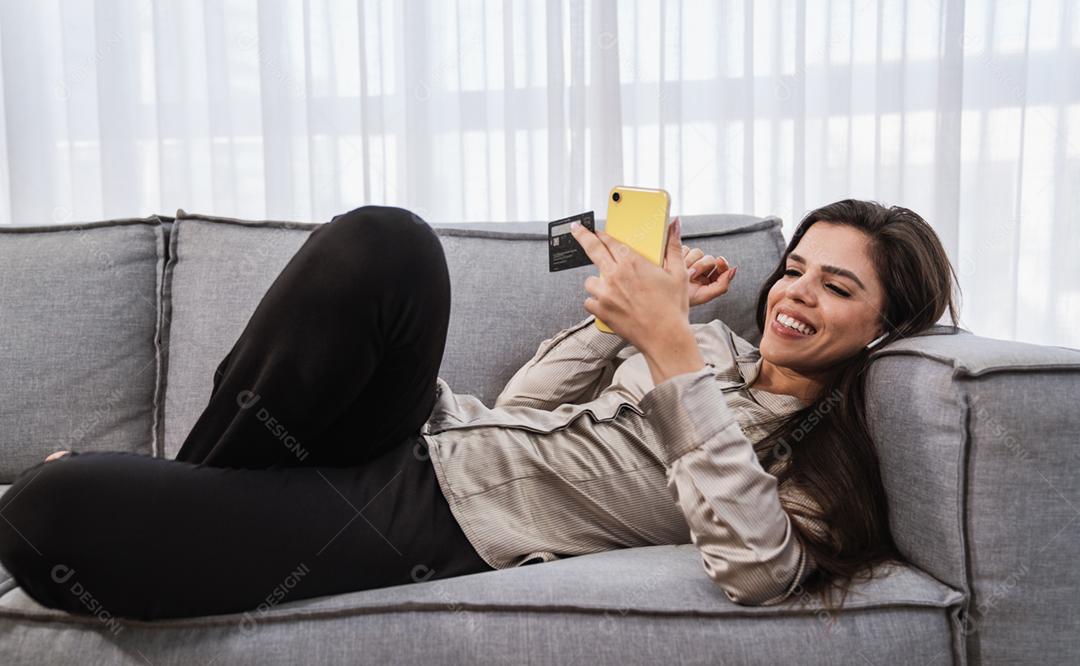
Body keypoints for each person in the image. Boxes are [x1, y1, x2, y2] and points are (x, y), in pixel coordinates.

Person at [0, 199, 960, 620]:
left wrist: (667, 347)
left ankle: (169, 507)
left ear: (887, 326)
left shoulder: (825, 451)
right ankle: (185, 503)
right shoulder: (712, 345)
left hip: (441, 517)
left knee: (46, 516)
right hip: (430, 430)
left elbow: (758, 568)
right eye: (795, 267)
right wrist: (637, 324)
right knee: (389, 244)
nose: (795, 293)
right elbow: (520, 407)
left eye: (837, 287)